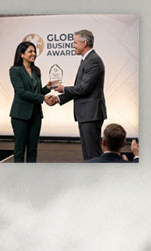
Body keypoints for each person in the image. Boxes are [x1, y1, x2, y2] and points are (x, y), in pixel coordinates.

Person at [49, 29, 107, 161]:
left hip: (91, 114)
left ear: (84, 43)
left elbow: (83, 89)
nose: (73, 45)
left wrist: (63, 89)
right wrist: (58, 99)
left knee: (93, 155)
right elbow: (79, 89)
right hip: (86, 114)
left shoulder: (93, 61)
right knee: (88, 155)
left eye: (75, 42)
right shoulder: (86, 61)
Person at [8, 41, 57, 163]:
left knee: (33, 149)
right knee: (19, 150)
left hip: (36, 115)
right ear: (22, 54)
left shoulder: (36, 71)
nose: (33, 54)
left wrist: (47, 87)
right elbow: (21, 92)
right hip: (20, 115)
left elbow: (37, 92)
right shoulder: (15, 70)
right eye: (30, 51)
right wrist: (42, 98)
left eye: (34, 51)